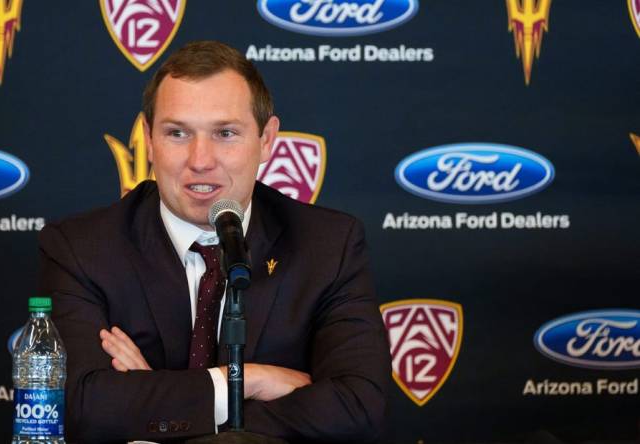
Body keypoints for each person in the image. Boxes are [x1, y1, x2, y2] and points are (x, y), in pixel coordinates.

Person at [38, 40, 390, 443]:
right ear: (148, 139)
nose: (200, 159)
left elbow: (362, 409)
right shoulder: (82, 248)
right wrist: (245, 382)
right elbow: (81, 409)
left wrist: (157, 397)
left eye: (225, 133)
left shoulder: (327, 245)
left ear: (267, 139)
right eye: (177, 133)